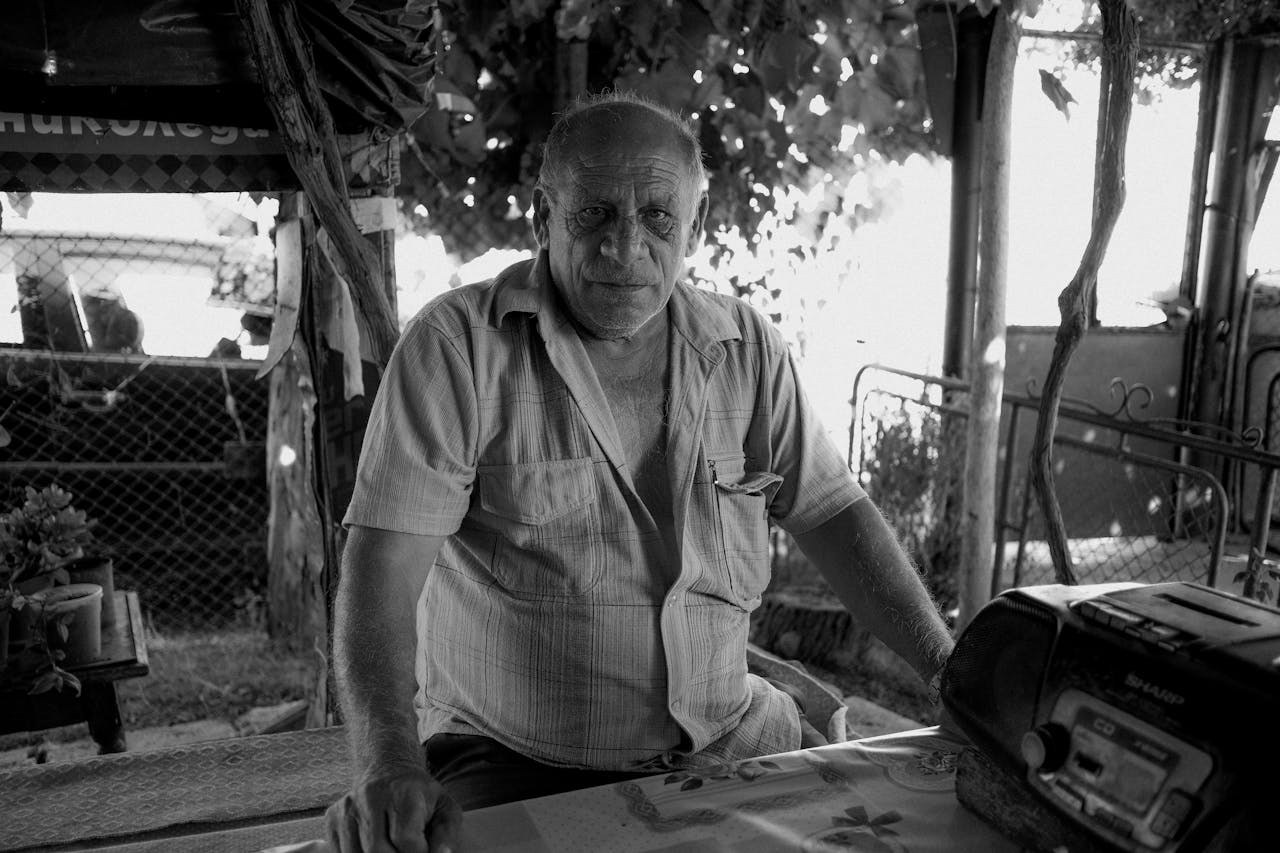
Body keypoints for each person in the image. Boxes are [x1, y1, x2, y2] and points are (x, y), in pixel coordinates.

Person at [326, 91, 954, 853]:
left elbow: (833, 513)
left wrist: (949, 672)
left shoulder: (748, 350)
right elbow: (382, 569)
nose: (625, 249)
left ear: (696, 223)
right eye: (594, 214)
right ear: (543, 217)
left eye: (658, 216)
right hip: (518, 759)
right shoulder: (459, 348)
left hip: (733, 735)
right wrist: (388, 761)